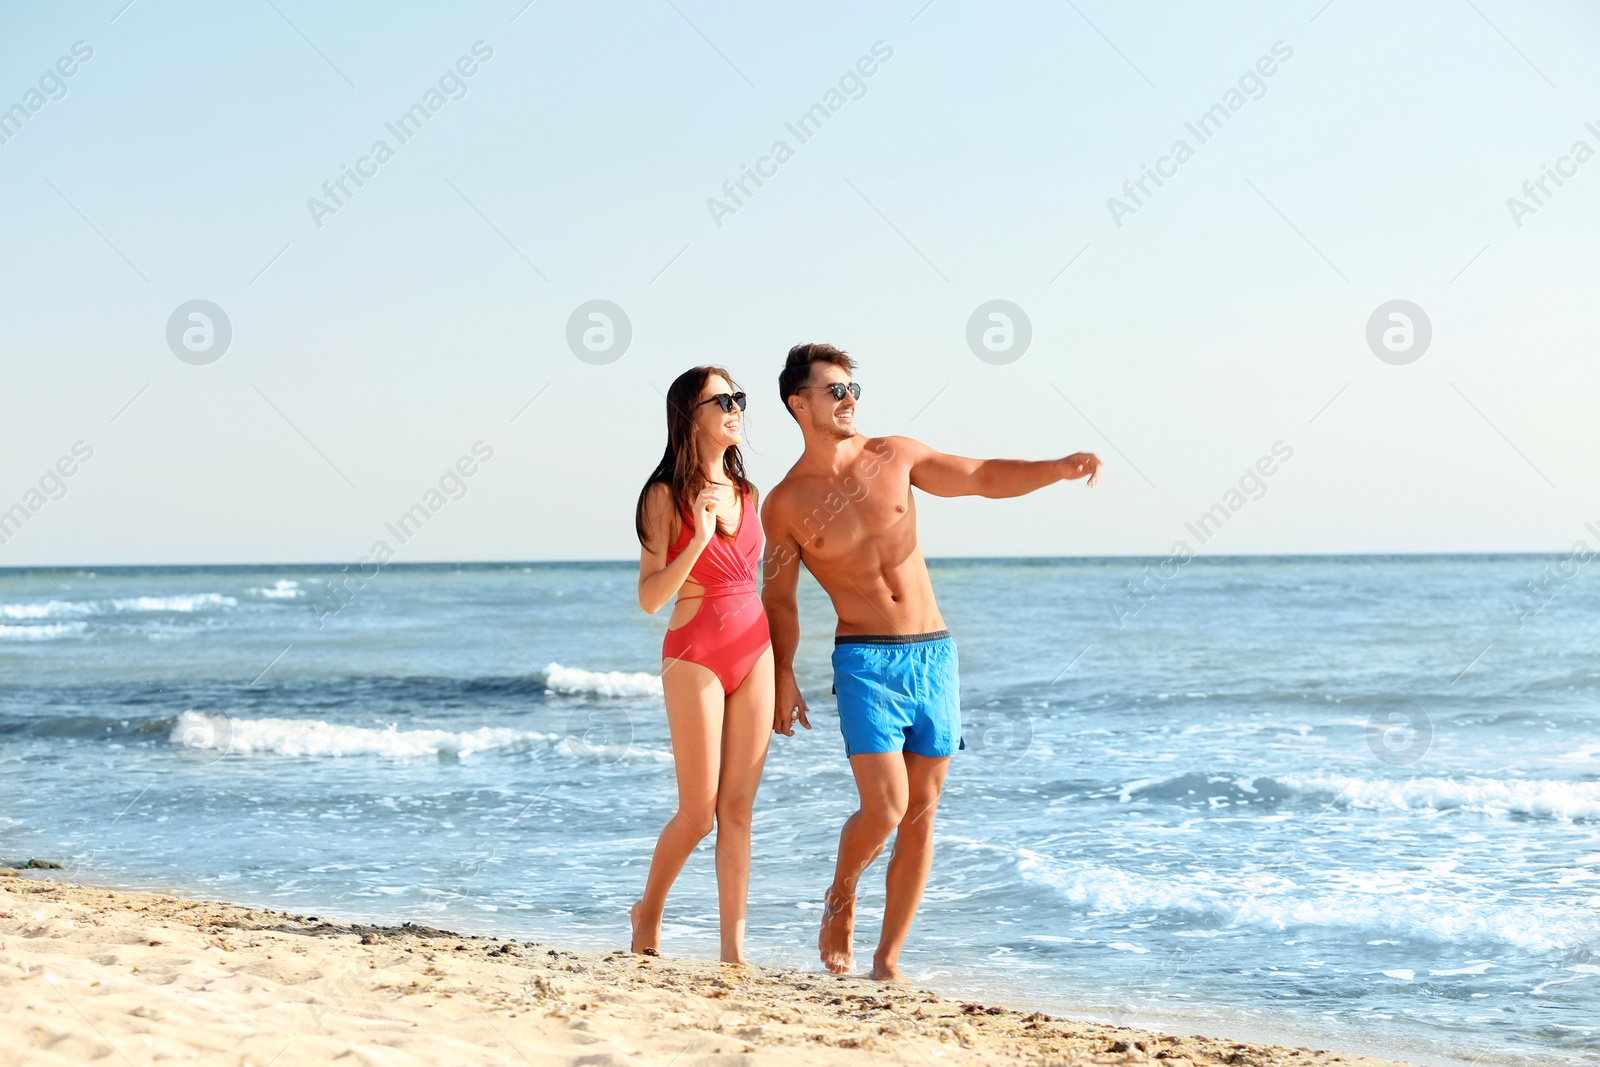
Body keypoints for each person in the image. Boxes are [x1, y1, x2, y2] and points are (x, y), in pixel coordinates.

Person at [759, 343, 1103, 982]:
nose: (849, 399)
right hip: (863, 661)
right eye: (834, 390)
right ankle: (841, 893)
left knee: (920, 813)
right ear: (797, 403)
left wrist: (1054, 467)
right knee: (885, 807)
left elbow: (979, 476)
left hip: (932, 656)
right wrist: (783, 675)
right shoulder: (783, 503)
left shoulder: (893, 455)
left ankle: (887, 962)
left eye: (852, 388)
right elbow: (778, 601)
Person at [632, 365, 775, 965]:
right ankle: (648, 911)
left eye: (739, 398)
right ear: (691, 416)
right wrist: (697, 536)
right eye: (724, 400)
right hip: (694, 655)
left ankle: (733, 953)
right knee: (698, 810)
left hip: (756, 650)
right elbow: (648, 597)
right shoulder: (664, 495)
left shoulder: (750, 493)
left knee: (738, 808)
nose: (737, 407)